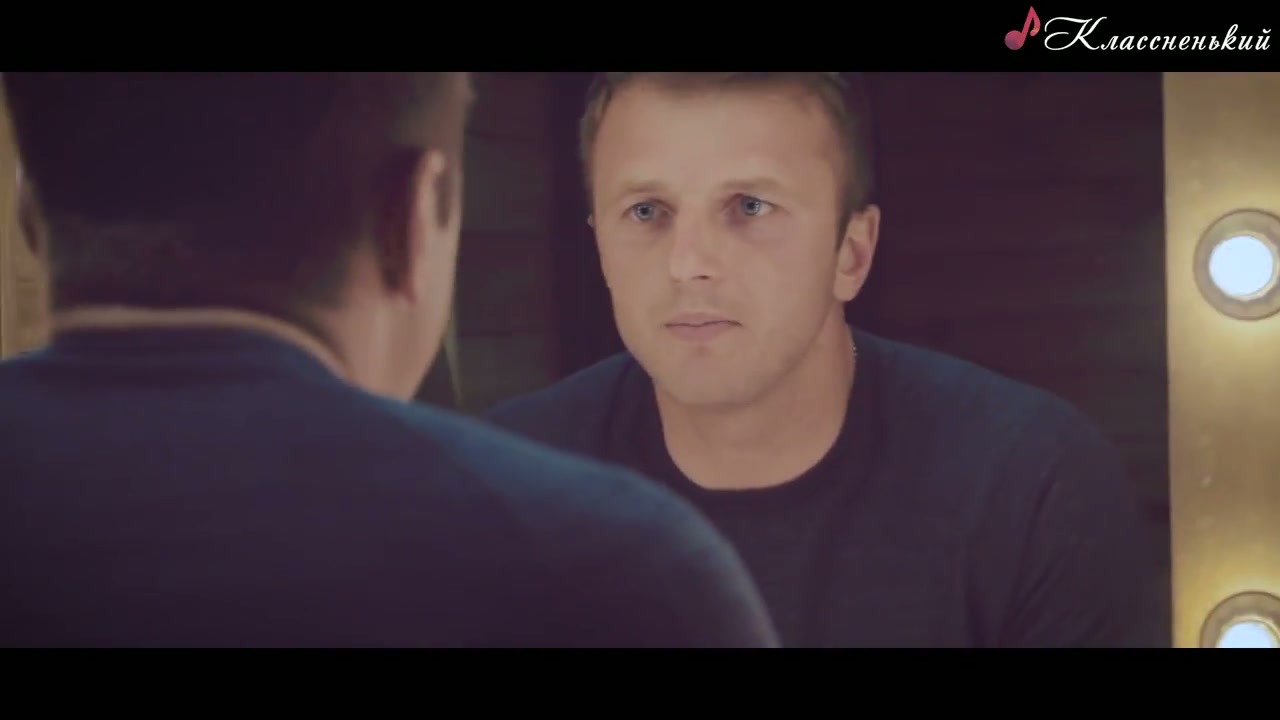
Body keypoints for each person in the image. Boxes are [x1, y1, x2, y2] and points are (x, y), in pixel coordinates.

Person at [0, 72, 778, 648]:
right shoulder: (611, 576)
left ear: (28, 210)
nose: (691, 265)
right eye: (645, 211)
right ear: (411, 217)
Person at [484, 72, 1169, 648]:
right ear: (599, 245)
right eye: (646, 212)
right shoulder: (500, 488)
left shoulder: (1027, 482)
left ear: (852, 253)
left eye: (750, 206)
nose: (687, 264)